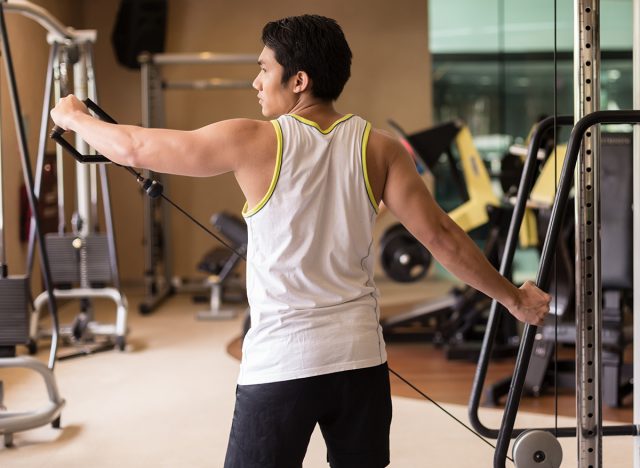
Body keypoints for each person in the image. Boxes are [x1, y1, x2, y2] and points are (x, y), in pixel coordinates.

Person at [51, 14, 550, 468]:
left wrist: (75, 118)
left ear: (299, 80)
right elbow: (442, 236)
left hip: (281, 365)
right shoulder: (378, 149)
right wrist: (514, 299)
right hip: (361, 363)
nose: (256, 82)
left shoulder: (255, 139)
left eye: (263, 70)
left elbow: (137, 147)